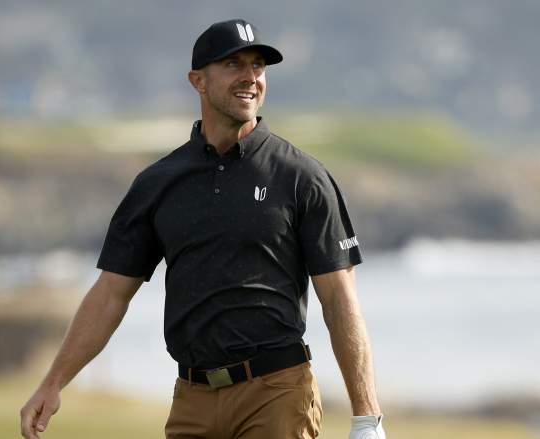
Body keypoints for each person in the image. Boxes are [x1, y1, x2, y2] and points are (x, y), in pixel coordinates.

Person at [20, 18, 386, 439]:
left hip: (276, 394)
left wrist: (366, 418)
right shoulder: (159, 183)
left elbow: (339, 297)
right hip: (191, 399)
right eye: (234, 64)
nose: (250, 77)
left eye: (258, 66)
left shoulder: (301, 177)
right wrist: (53, 382)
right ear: (198, 80)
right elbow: (110, 294)